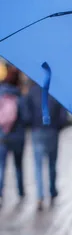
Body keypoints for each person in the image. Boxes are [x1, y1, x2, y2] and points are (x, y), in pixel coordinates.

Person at [24, 81, 67, 211]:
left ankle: (39, 196)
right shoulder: (56, 92)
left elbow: (26, 114)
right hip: (52, 131)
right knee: (52, 164)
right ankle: (52, 191)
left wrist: (33, 123)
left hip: (37, 131)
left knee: (38, 165)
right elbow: (63, 116)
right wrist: (57, 126)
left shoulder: (32, 92)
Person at [0, 63, 26, 207]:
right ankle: (21, 192)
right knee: (18, 166)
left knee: (1, 166)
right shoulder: (19, 96)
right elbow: (26, 117)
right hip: (18, 138)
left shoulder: (1, 93)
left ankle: (0, 194)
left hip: (2, 136)